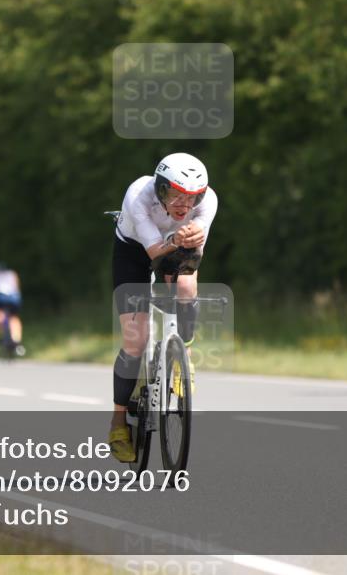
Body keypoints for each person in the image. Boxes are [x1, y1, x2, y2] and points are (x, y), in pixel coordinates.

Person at [108, 153, 218, 462]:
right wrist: (177, 240)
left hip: (176, 245)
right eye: (176, 195)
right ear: (160, 189)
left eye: (193, 197)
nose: (185, 205)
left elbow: (192, 259)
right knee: (136, 339)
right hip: (133, 250)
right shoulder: (138, 196)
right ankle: (118, 421)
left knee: (185, 287)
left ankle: (185, 355)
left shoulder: (208, 201)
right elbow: (156, 252)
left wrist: (189, 241)